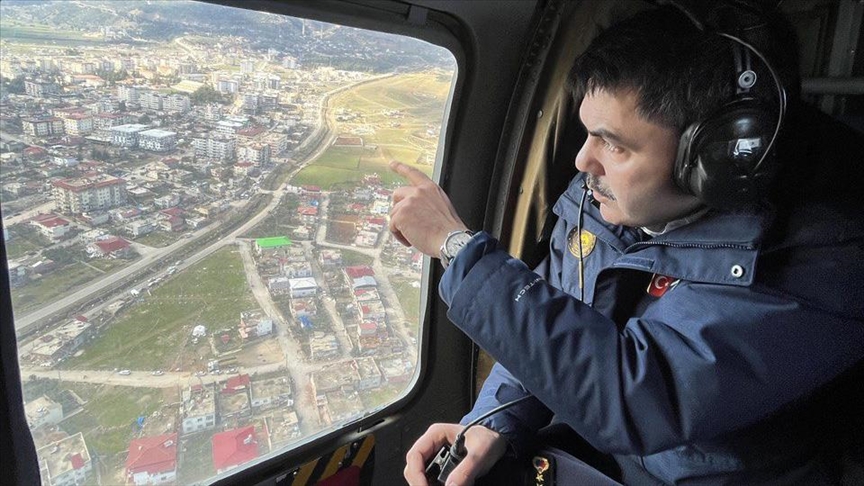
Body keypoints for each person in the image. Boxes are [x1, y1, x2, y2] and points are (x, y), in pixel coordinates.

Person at [391, 3, 864, 486]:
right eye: (587, 133)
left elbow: (637, 395)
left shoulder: (826, 256)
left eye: (613, 144)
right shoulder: (611, 196)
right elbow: (560, 308)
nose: (581, 160)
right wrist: (495, 420)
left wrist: (457, 248)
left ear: (714, 157)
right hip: (605, 456)